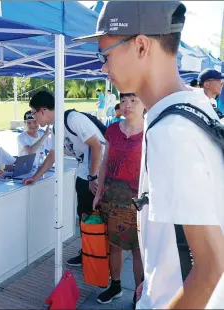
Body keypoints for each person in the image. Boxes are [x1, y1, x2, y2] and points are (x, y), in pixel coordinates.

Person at [74, 1, 224, 308]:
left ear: (141, 46)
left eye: (106, 55)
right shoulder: (194, 109)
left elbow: (211, 267)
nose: (103, 67)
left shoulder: (171, 131)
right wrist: (156, 283)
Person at [23, 90, 105, 267]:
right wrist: (35, 177)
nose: (34, 118)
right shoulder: (56, 127)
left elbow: (97, 146)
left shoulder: (72, 119)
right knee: (85, 216)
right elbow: (53, 155)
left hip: (98, 174)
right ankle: (88, 254)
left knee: (97, 218)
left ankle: (100, 261)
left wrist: (93, 176)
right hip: (85, 173)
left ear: (43, 110)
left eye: (34, 113)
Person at [93, 93, 145, 305]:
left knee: (138, 250)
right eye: (124, 101)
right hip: (112, 196)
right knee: (113, 244)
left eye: (134, 101)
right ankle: (115, 286)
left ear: (144, 104)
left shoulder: (150, 131)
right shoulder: (113, 129)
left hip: (138, 200)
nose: (127, 105)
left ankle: (139, 294)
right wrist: (98, 192)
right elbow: (105, 161)